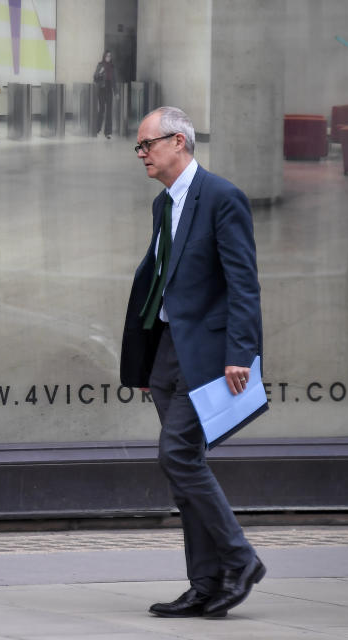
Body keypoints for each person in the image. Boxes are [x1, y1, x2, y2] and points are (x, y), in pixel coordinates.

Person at [120, 106, 266, 618]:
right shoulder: (164, 204)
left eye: (147, 144)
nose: (141, 154)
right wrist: (145, 365)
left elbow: (243, 283)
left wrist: (240, 355)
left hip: (207, 353)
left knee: (178, 456)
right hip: (167, 352)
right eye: (139, 147)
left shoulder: (222, 198)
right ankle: (206, 584)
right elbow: (159, 280)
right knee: (185, 467)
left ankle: (240, 560)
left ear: (179, 141)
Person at [92, 50, 115, 138]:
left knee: (109, 111)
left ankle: (108, 132)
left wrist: (116, 92)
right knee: (101, 110)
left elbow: (114, 81)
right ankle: (97, 129)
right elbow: (95, 77)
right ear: (104, 56)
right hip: (102, 90)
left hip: (109, 90)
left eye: (109, 56)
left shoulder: (112, 67)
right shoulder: (100, 65)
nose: (108, 58)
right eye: (107, 56)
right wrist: (100, 72)